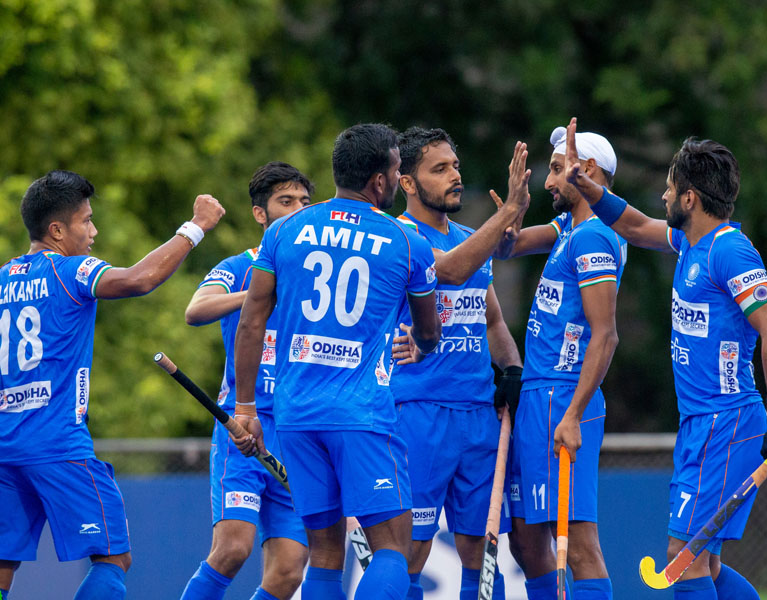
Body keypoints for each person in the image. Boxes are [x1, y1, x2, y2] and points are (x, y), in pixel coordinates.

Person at [563, 117, 767, 600]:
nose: (664, 198)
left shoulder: (729, 251)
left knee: (681, 558)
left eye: (670, 191)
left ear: (690, 198)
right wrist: (588, 188)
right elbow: (631, 224)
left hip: (727, 421)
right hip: (701, 423)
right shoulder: (689, 242)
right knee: (705, 564)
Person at [232, 123, 442, 600]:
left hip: (294, 414)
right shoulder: (408, 242)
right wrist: (424, 346)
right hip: (362, 415)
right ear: (379, 181)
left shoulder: (285, 230)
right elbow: (428, 331)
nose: (396, 177)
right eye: (394, 168)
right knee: (393, 547)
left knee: (325, 553)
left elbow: (251, 323)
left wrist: (245, 409)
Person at [0, 170, 224, 600]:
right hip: (58, 445)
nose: (94, 230)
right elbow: (138, 279)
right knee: (113, 559)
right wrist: (195, 227)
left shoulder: (4, 278)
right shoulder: (68, 270)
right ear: (56, 230)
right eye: (86, 221)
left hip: (6, 448)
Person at [388, 126, 530, 600]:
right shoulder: (398, 236)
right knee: (413, 549)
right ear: (407, 183)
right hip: (419, 410)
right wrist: (508, 211)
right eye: (439, 169)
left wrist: (510, 369)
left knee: (480, 553)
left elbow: (492, 319)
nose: (454, 176)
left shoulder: (473, 239)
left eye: (456, 167)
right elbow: (447, 270)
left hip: (477, 415)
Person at [497, 125, 626, 600]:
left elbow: (605, 334)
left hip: (562, 397)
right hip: (536, 394)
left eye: (555, 170)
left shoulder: (595, 237)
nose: (547, 182)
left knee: (578, 544)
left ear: (588, 171)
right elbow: (505, 247)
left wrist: (573, 412)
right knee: (528, 541)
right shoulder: (567, 227)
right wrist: (510, 213)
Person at [180, 162, 313, 600]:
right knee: (233, 548)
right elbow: (196, 310)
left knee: (288, 573)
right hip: (243, 424)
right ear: (261, 214)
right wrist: (259, 293)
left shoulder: (318, 271)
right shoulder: (241, 265)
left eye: (304, 203)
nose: (297, 211)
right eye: (285, 202)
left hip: (299, 431)